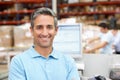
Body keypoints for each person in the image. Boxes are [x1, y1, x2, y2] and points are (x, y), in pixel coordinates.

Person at [8, 7, 80, 80]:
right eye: (39, 27)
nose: (45, 33)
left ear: (56, 30)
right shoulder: (19, 62)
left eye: (49, 27)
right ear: (31, 31)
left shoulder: (68, 62)